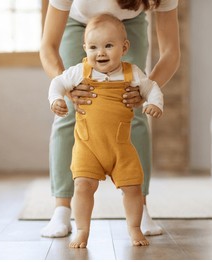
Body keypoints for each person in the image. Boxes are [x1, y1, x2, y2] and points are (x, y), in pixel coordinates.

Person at [40, 0, 180, 238]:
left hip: (130, 21)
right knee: (73, 112)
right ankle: (62, 209)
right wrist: (66, 89)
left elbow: (171, 52)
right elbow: (48, 45)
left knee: (131, 108)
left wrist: (144, 91)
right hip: (78, 24)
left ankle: (140, 207)